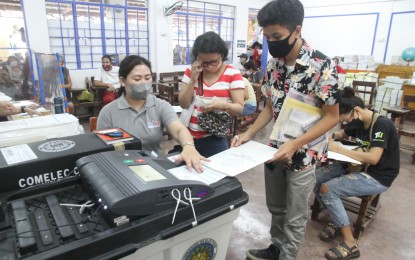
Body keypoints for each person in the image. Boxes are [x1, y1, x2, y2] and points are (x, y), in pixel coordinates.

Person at [231, 1, 340, 259]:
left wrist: (296, 143)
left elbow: (332, 117)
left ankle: (288, 256)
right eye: (267, 37)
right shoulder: (273, 65)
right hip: (276, 148)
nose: (272, 42)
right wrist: (247, 134)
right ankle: (276, 248)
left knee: (295, 213)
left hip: (304, 152)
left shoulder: (321, 65)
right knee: (277, 207)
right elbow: (269, 108)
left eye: (277, 37)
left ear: (297, 30)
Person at [315, 87, 400, 260]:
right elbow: (341, 133)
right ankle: (337, 219)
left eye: (346, 119)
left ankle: (350, 243)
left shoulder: (381, 125)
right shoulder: (357, 120)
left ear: (357, 112)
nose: (346, 123)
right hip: (356, 166)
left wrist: (338, 149)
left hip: (377, 176)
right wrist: (331, 137)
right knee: (315, 178)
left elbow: (373, 158)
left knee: (328, 189)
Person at [97, 55, 207, 172]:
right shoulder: (108, 112)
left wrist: (188, 146)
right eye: (137, 79)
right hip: (122, 170)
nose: (144, 83)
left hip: (156, 167)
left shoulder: (160, 106)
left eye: (148, 77)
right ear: (123, 81)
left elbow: (179, 129)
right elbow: (103, 151)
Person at [178, 31, 245, 158]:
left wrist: (223, 105)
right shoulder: (191, 71)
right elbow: (183, 104)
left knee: (218, 175)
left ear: (222, 55)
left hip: (215, 138)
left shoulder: (233, 74)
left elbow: (239, 109)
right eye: (204, 62)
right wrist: (192, 80)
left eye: (214, 61)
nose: (208, 67)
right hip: (188, 138)